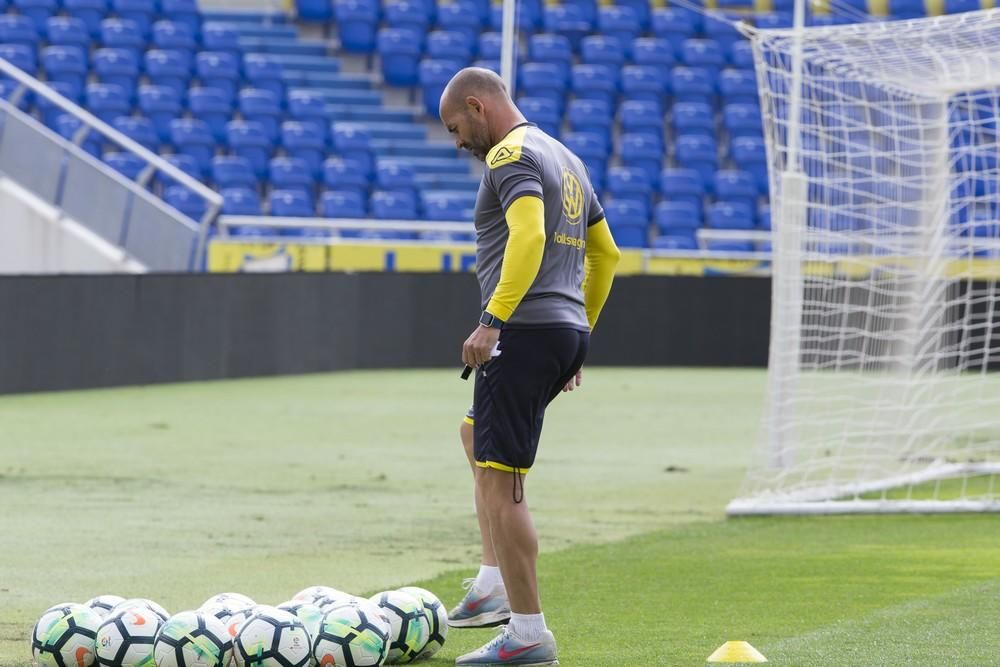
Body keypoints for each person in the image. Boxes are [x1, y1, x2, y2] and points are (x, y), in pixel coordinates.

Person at [438, 67, 621, 666]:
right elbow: (606, 253)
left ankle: (527, 633)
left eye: (456, 127)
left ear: (476, 106)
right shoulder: (566, 156)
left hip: (524, 329)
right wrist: (580, 333)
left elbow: (528, 236)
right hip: (563, 328)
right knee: (476, 436)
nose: (456, 141)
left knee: (501, 481)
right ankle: (492, 584)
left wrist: (493, 319)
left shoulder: (511, 154)